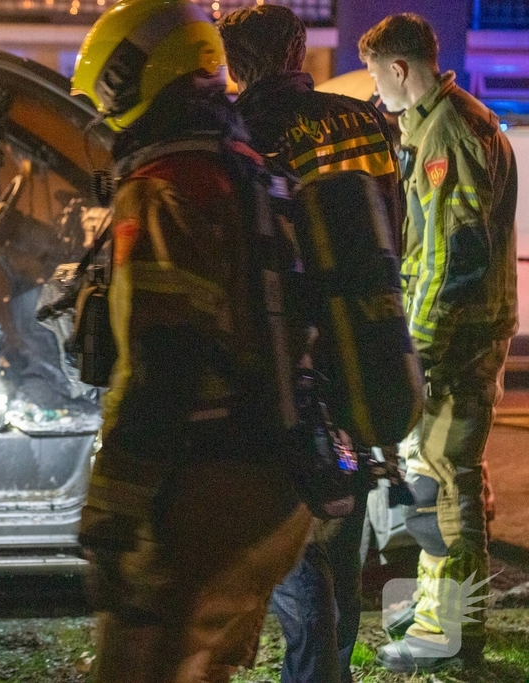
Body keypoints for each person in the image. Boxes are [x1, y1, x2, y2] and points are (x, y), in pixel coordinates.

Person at [71, 1, 312, 681]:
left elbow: (160, 368)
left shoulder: (166, 186)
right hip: (276, 483)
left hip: (205, 485)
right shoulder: (248, 168)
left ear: (130, 76)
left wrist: (109, 517)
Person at [218, 6, 404, 682]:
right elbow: (396, 235)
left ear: (234, 62)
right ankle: (335, 667)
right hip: (365, 347)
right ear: (300, 49)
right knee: (343, 524)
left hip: (291, 361)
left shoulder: (244, 129)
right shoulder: (368, 122)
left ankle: (315, 671)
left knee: (299, 539)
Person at [359, 13, 518, 673]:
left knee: (444, 493)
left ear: (400, 68)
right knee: (438, 484)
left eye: (378, 78)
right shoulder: (445, 121)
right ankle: (433, 616)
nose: (378, 94)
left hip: (453, 346)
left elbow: (451, 262)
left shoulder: (446, 133)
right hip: (462, 338)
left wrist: (417, 356)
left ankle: (446, 635)